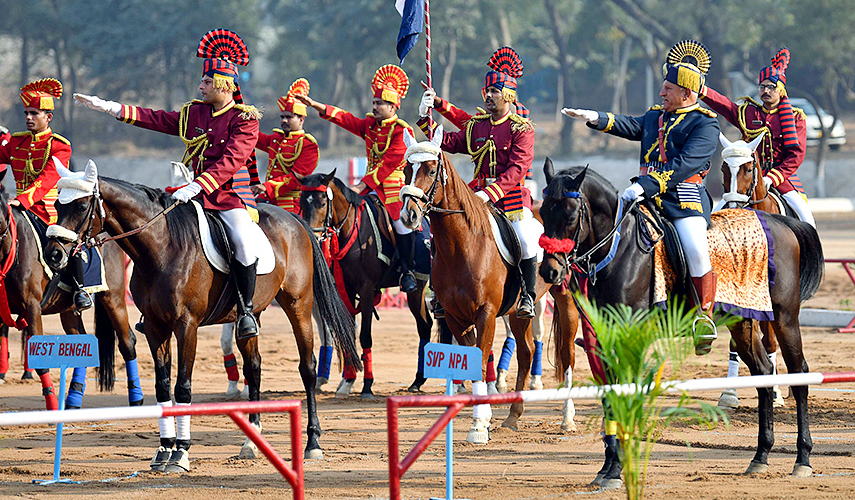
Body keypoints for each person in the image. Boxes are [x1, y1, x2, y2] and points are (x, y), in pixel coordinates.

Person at [75, 29, 270, 339]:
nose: (200, 86)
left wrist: (198, 185)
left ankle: (246, 311)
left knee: (244, 243)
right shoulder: (194, 113)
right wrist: (110, 107)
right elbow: (156, 118)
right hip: (191, 194)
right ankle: (154, 303)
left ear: (223, 84)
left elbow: (231, 160)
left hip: (229, 198)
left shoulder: (245, 120)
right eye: (202, 82)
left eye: (206, 82)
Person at [561, 39, 722, 352]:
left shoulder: (705, 124)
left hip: (683, 200)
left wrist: (645, 186)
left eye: (668, 89)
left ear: (687, 93)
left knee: (695, 248)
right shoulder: (656, 117)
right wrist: (592, 117)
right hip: (647, 198)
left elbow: (682, 165)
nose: (661, 93)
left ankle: (703, 315)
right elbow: (629, 124)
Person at [417, 47, 540, 319]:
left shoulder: (522, 128)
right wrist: (426, 117)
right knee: (443, 234)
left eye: (494, 91)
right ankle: (440, 293)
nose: (488, 96)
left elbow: (517, 170)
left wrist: (489, 194)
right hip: (475, 195)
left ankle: (527, 297)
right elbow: (448, 142)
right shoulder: (478, 126)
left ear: (508, 95)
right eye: (487, 91)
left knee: (526, 239)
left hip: (510, 199)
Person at [0, 78, 98, 312]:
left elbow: (46, 180)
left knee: (66, 240)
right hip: (18, 207)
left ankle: (79, 287)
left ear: (48, 117)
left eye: (34, 113)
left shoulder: (59, 145)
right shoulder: (17, 142)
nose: (29, 118)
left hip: (48, 210)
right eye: (26, 113)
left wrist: (21, 201)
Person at [302, 65, 425, 292]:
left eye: (380, 103)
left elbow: (388, 165)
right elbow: (345, 119)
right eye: (374, 103)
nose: (375, 106)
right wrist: (316, 105)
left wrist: (361, 185)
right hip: (369, 189)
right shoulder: (369, 125)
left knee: (401, 222)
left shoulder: (402, 131)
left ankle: (408, 270)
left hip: (393, 189)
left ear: (393, 106)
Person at [699, 47, 814, 226]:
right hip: (746, 176)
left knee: (806, 218)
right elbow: (724, 105)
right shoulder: (748, 112)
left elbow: (795, 157)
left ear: (781, 89)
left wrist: (771, 178)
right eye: (762, 86)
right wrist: (702, 90)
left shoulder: (796, 117)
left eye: (771, 87)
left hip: (781, 179)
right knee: (715, 216)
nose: (766, 91)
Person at [252, 79, 319, 214]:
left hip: (290, 204)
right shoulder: (277, 139)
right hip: (267, 199)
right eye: (282, 117)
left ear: (301, 119)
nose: (284, 120)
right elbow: (254, 138)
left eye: (289, 117)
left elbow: (295, 179)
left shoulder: (308, 145)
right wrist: (243, 119)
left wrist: (267, 187)